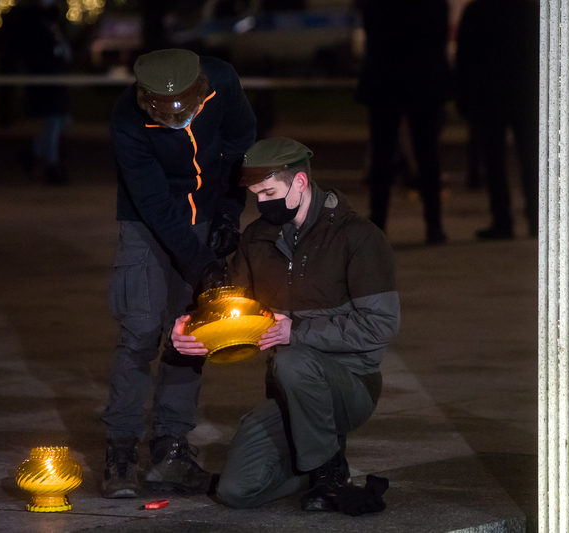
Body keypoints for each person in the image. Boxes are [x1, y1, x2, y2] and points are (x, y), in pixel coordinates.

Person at [171, 137, 399, 513]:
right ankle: (316, 460)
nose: (262, 203)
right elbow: (233, 307)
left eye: (270, 192)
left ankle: (330, 471)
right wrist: (192, 328)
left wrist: (296, 329)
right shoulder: (257, 238)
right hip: (286, 389)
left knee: (293, 358)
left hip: (351, 384)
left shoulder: (358, 238)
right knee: (235, 491)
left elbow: (380, 326)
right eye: (257, 195)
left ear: (300, 184)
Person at [100, 48, 256, 499]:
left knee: (190, 331)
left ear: (200, 91)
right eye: (163, 113)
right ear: (145, 98)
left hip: (206, 211)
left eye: (184, 111)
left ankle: (171, 449)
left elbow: (240, 142)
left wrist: (228, 212)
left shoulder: (222, 81)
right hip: (145, 221)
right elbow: (153, 204)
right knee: (140, 332)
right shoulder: (126, 119)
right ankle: (121, 451)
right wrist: (203, 263)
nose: (176, 120)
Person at [356, 0, 452, 245]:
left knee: (382, 153)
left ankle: (378, 220)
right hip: (422, 79)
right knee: (427, 152)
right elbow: (439, 34)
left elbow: (372, 32)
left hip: (386, 79)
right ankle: (434, 223)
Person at [455, 0, 540, 239]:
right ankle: (535, 217)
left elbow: (465, 57)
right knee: (530, 159)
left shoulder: (477, 11)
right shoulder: (529, 10)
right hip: (525, 94)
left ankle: (503, 220)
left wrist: (464, 96)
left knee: (494, 161)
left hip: (490, 94)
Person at [1, 0, 73, 185]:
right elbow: (37, 55)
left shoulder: (50, 26)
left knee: (59, 122)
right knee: (54, 122)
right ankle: (50, 167)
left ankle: (32, 154)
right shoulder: (34, 26)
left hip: (53, 81)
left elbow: (64, 53)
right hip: (45, 82)